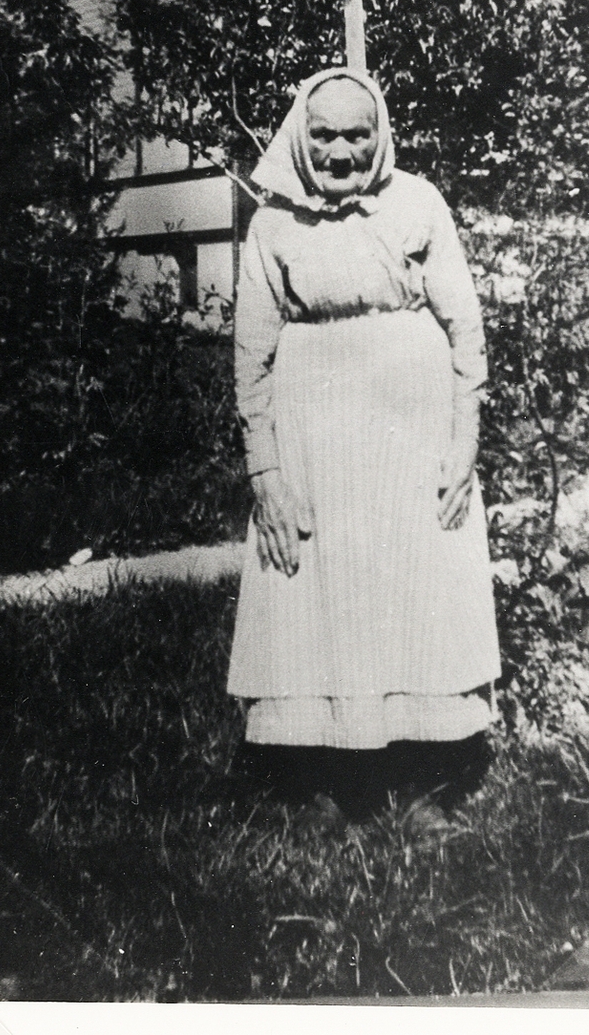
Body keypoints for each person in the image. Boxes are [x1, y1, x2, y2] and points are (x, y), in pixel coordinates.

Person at [228, 67, 500, 822]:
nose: (341, 151)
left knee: (414, 583)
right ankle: (313, 774)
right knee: (312, 582)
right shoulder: (272, 224)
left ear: (380, 134)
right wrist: (266, 474)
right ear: (300, 136)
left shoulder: (417, 203)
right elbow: (250, 357)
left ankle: (424, 778)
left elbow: (466, 329)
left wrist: (463, 443)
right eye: (324, 135)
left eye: (357, 133)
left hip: (411, 434)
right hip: (312, 438)